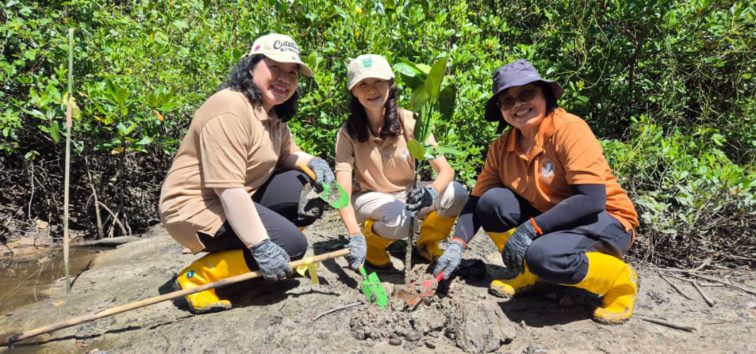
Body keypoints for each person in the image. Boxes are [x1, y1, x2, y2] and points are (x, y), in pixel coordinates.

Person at [433, 60, 639, 324]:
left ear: (545, 95)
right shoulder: (502, 147)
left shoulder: (569, 129)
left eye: (526, 94)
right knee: (492, 202)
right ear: (501, 111)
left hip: (608, 220)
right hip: (554, 218)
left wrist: (531, 229)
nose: (517, 104)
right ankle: (531, 276)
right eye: (507, 101)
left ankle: (620, 281)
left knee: (545, 255)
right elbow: (476, 202)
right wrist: (456, 246)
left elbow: (592, 200)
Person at [159, 33, 335, 314]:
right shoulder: (229, 107)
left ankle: (259, 253)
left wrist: (316, 163)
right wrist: (262, 245)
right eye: (274, 68)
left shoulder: (270, 113)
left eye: (292, 73)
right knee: (292, 245)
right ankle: (198, 278)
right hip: (194, 209)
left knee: (309, 184)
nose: (284, 78)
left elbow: (289, 154)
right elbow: (228, 189)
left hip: (237, 199)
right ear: (251, 66)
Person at [336, 54, 469, 270]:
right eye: (363, 84)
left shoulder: (409, 120)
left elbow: (445, 170)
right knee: (400, 217)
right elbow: (340, 189)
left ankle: (427, 243)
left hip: (406, 194)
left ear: (390, 84)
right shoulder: (348, 132)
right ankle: (371, 244)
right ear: (354, 91)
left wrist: (431, 192)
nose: (372, 89)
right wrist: (354, 233)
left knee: (457, 193)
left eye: (378, 81)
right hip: (369, 197)